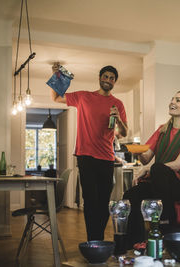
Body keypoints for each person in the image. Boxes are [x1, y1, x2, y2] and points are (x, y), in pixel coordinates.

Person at [50, 63, 128, 241]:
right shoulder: (83, 97)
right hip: (86, 157)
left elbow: (123, 134)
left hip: (107, 158)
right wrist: (56, 75)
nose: (108, 80)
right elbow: (56, 98)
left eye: (112, 78)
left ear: (115, 82)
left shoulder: (118, 104)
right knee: (90, 200)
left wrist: (118, 120)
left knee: (103, 202)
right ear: (100, 78)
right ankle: (94, 239)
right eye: (106, 76)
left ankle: (96, 238)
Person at [123, 91, 180, 247]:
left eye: (178, 100)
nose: (172, 102)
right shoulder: (162, 130)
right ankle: (135, 241)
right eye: (172, 99)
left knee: (158, 168)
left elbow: (178, 165)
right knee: (131, 194)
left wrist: (149, 170)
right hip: (159, 181)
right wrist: (136, 150)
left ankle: (166, 218)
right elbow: (146, 158)